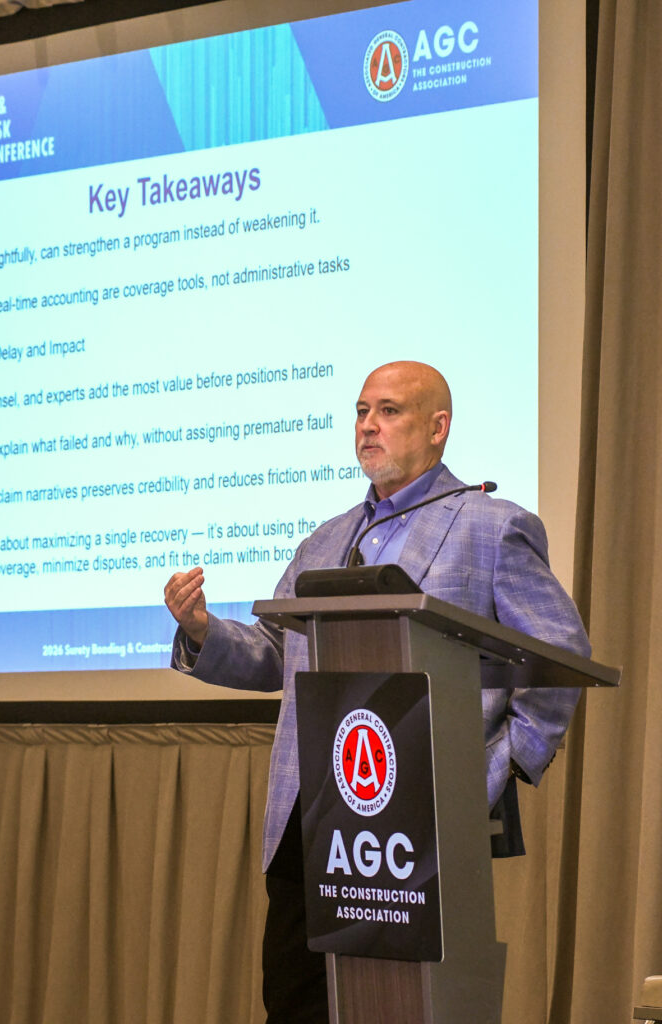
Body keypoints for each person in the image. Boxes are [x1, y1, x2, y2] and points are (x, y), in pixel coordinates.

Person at [163, 361, 590, 1023]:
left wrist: (496, 765)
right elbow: (277, 654)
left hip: (418, 817)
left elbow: (557, 654)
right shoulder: (326, 539)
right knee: (297, 1006)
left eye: (389, 411)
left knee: (404, 1008)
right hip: (310, 817)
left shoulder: (490, 526)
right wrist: (201, 631)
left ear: (437, 428)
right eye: (361, 411)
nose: (368, 425)